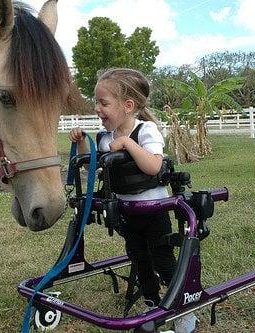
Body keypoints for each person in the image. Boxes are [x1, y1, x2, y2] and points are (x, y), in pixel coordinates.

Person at [69, 68, 197, 333]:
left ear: (128, 106)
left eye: (104, 103)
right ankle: (153, 302)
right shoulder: (106, 138)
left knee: (162, 258)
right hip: (128, 213)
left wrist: (128, 144)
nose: (97, 108)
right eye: (96, 102)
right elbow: (89, 166)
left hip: (154, 210)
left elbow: (152, 166)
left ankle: (183, 308)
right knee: (139, 259)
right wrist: (82, 142)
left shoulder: (145, 131)